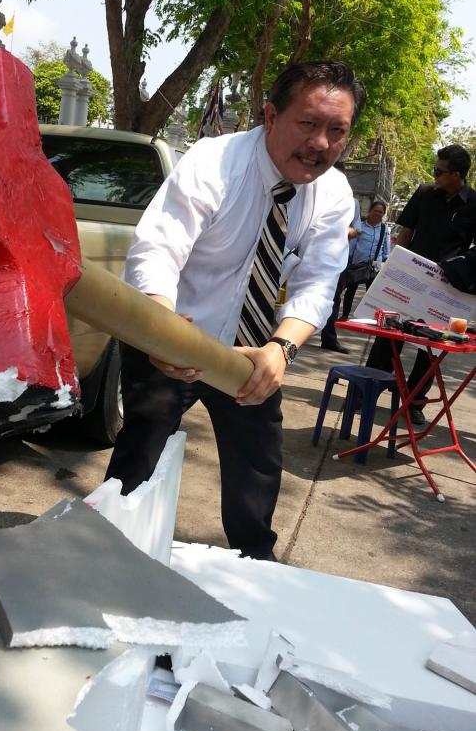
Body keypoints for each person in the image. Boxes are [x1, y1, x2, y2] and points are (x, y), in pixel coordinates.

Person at [104, 61, 365, 561]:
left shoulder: (333, 194)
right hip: (175, 335)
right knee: (142, 450)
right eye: (308, 123)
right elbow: (159, 247)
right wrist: (160, 329)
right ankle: (111, 548)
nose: (320, 144)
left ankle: (257, 564)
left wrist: (281, 349)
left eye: (337, 131)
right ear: (270, 115)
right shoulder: (214, 161)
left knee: (257, 463)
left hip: (252, 351)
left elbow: (318, 281)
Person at [366, 144, 476, 426]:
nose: (434, 175)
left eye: (439, 171)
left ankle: (414, 402)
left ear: (457, 175)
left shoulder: (474, 204)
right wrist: (394, 267)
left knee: (433, 346)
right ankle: (368, 390)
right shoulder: (424, 194)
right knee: (389, 335)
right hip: (412, 278)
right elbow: (406, 232)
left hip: (447, 287)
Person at [319, 178, 363, 354]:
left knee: (333, 298)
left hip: (338, 258)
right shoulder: (315, 196)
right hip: (310, 253)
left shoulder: (352, 203)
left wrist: (339, 230)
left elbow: (356, 230)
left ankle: (329, 338)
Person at [339, 199, 389, 319]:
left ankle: (370, 318)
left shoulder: (384, 229)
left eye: (380, 212)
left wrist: (383, 263)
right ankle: (345, 316)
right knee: (351, 291)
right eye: (375, 211)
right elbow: (351, 247)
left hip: (374, 268)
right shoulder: (360, 226)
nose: (377, 214)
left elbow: (386, 251)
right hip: (357, 265)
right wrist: (348, 262)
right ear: (370, 211)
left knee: (372, 295)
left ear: (383, 214)